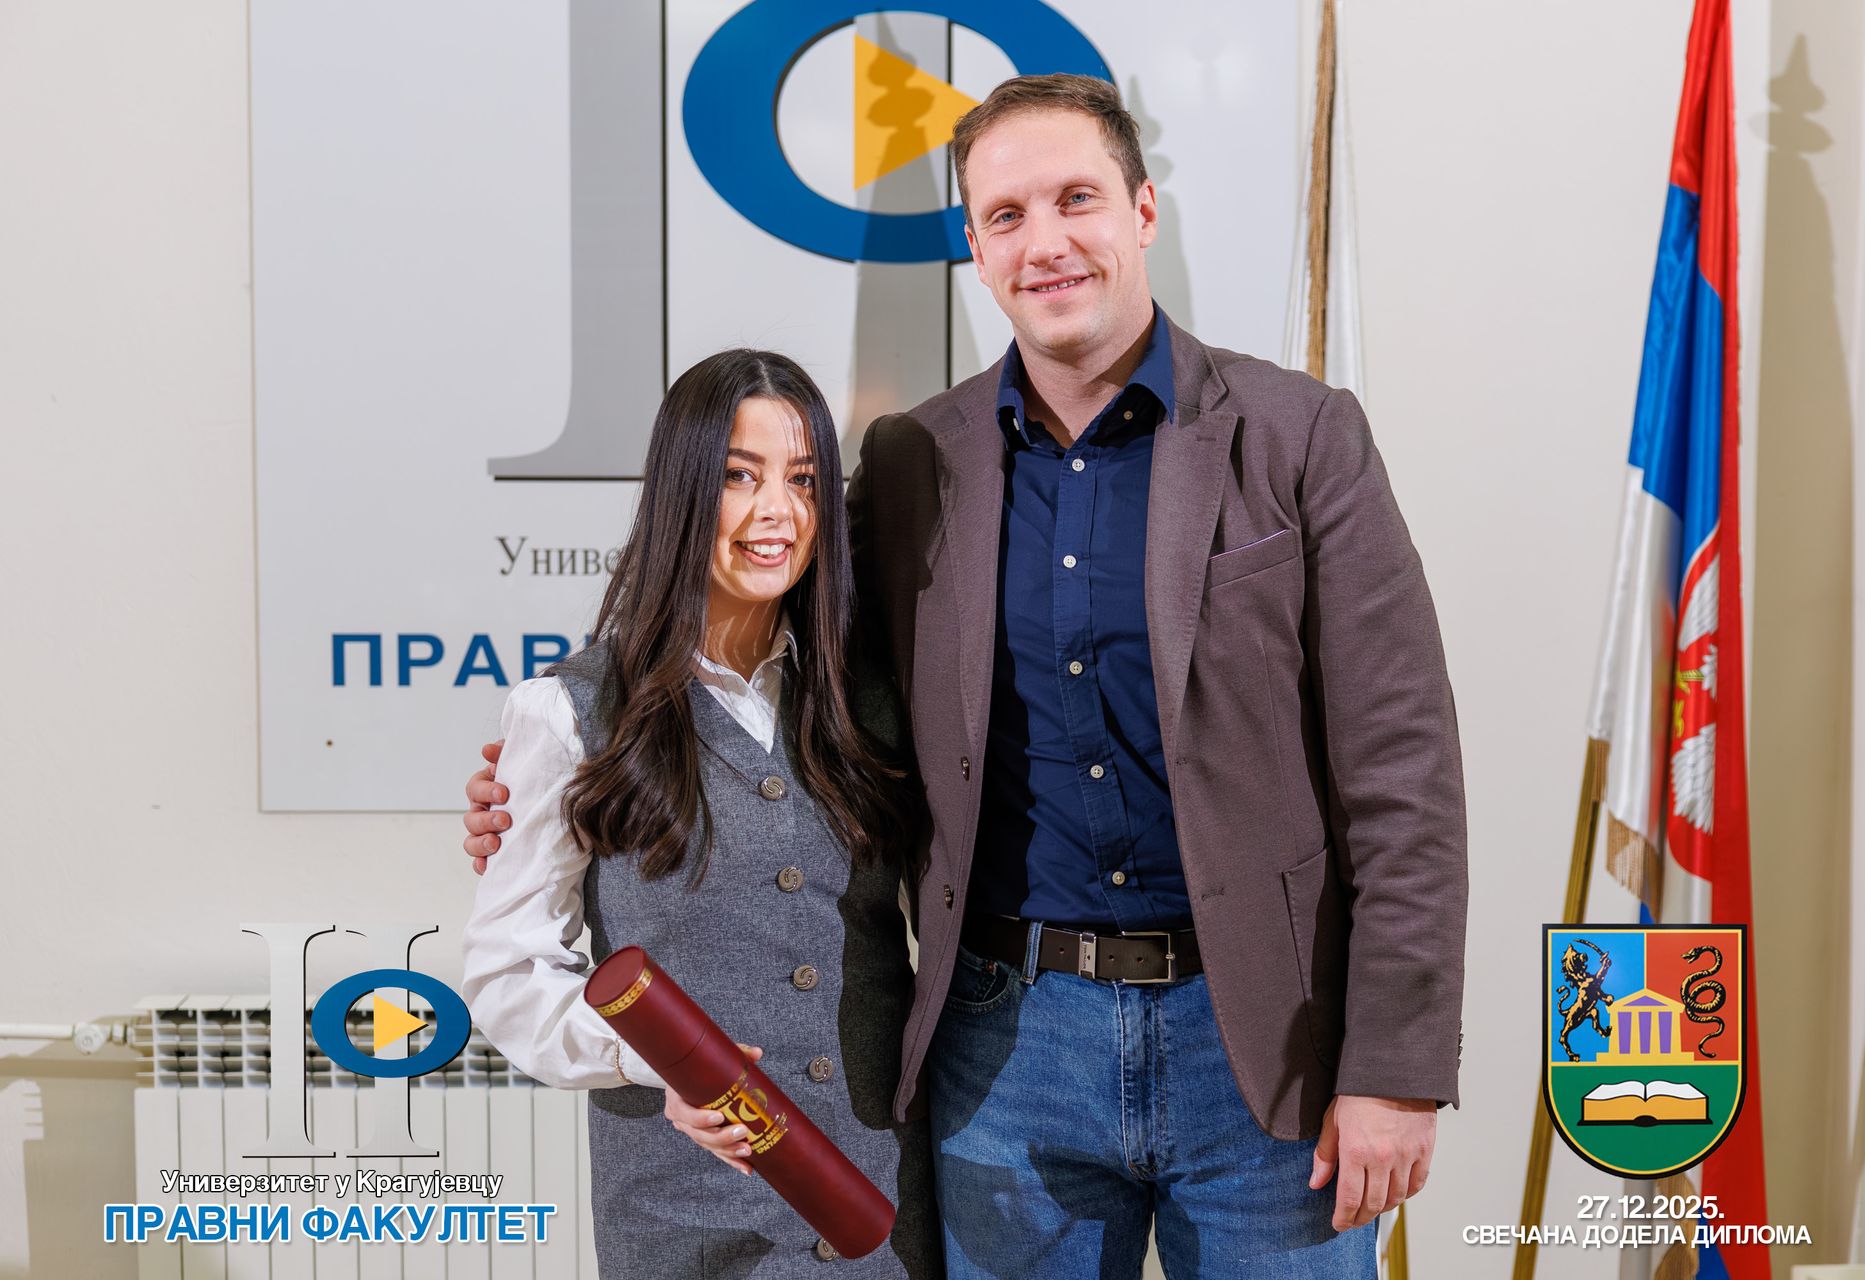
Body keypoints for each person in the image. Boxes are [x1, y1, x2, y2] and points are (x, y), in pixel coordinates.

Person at [468, 75, 1466, 1279]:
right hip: (1004, 1052)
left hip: (1261, 1043)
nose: (1045, 242)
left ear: (1144, 210)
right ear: (976, 250)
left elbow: (1404, 775)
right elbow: (758, 616)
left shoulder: (1299, 433)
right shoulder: (910, 465)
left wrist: (1395, 1068)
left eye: (1076, 199)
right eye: (1005, 215)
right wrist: (559, 773)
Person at [459, 349, 940, 1278]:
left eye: (804, 480)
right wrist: (653, 1060)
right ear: (682, 491)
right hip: (685, 1221)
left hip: (882, 1208)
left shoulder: (874, 700)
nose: (778, 512)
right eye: (739, 476)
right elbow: (508, 971)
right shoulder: (566, 712)